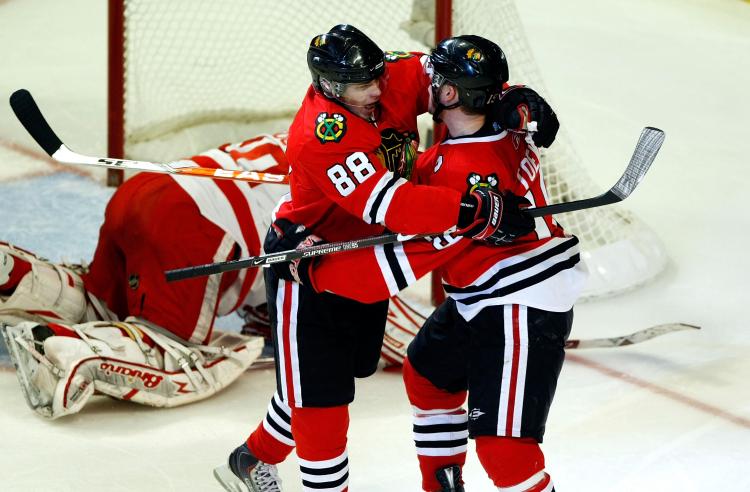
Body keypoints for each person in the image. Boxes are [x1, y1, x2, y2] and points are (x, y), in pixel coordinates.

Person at [213, 25, 530, 492]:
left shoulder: (389, 76)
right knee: (321, 406)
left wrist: (513, 96)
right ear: (331, 87)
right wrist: (471, 209)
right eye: (365, 86)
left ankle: (248, 458)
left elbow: (457, 77)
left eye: (379, 78)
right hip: (312, 261)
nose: (379, 91)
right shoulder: (322, 135)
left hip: (367, 252)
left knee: (325, 379)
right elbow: (396, 205)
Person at [300, 35, 586, 491]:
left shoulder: (458, 177)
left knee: (505, 452)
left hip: (518, 301)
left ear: (449, 94)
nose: (423, 80)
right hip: (482, 294)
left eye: (435, 76)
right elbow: (429, 173)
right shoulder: (504, 129)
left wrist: (313, 266)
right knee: (429, 374)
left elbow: (387, 272)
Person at [0, 133, 290, 418]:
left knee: (100, 303)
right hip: (192, 226)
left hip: (146, 190)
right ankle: (61, 349)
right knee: (169, 353)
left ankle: (17, 274)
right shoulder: (334, 179)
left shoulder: (311, 132)